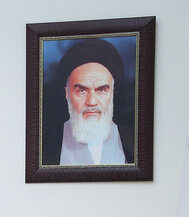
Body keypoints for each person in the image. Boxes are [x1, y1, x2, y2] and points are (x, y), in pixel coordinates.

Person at [44, 38, 134, 166]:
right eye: (82, 91)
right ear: (67, 93)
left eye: (101, 90)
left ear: (112, 92)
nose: (92, 102)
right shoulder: (45, 144)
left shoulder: (135, 141)